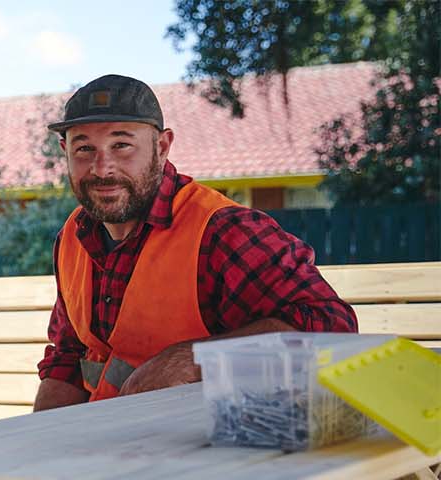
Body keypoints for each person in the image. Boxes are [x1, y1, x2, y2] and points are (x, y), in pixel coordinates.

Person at [33, 74, 358, 411]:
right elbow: (69, 355)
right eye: (84, 149)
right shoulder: (73, 236)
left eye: (122, 145)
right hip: (107, 430)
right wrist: (37, 435)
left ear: (162, 147)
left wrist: (196, 359)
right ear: (65, 152)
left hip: (209, 433)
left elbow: (331, 328)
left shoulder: (224, 232)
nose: (102, 169)